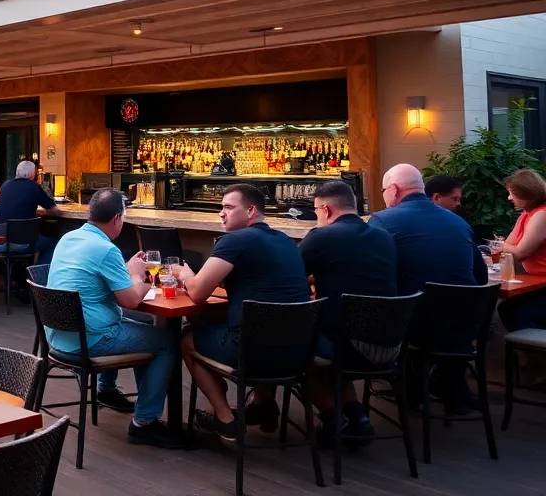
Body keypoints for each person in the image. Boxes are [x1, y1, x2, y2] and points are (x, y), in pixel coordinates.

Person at [46, 188, 182, 448]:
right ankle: (145, 423)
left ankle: (106, 390)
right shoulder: (106, 250)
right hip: (88, 339)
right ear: (118, 219)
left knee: (139, 329)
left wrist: (127, 270)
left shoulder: (69, 238)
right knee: (165, 342)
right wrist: (137, 277)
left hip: (58, 335)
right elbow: (131, 300)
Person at [176, 183, 310, 442]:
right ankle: (263, 405)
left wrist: (185, 273)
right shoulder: (285, 240)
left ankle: (224, 419)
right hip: (297, 352)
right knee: (254, 324)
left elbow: (197, 292)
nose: (221, 214)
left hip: (252, 353)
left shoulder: (234, 240)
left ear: (250, 211)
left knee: (187, 338)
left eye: (228, 207)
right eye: (221, 208)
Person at [368, 163, 486, 412]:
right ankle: (450, 388)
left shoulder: (382, 220)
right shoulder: (458, 223)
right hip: (466, 325)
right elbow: (481, 276)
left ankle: (407, 389)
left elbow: (372, 273)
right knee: (439, 308)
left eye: (383, 191)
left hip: (415, 327)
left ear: (394, 189)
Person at [298, 180, 397, 445]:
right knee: (333, 338)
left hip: (349, 347)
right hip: (390, 345)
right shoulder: (383, 236)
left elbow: (289, 275)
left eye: (317, 211)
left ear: (327, 211)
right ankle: (358, 417)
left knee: (293, 347)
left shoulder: (321, 237)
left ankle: (332, 419)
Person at [0, 161, 60, 296]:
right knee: (55, 243)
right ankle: (35, 280)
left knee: (30, 239)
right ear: (32, 174)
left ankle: (18, 279)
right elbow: (54, 210)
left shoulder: (5, 185)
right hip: (21, 243)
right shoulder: (32, 187)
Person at [498, 169, 546, 331]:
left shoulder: (541, 215)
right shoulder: (527, 214)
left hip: (542, 283)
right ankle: (526, 351)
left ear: (527, 192)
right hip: (534, 280)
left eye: (512, 193)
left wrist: (501, 245)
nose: (509, 198)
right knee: (508, 308)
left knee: (513, 310)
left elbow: (519, 252)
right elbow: (508, 247)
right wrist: (504, 246)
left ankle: (533, 351)